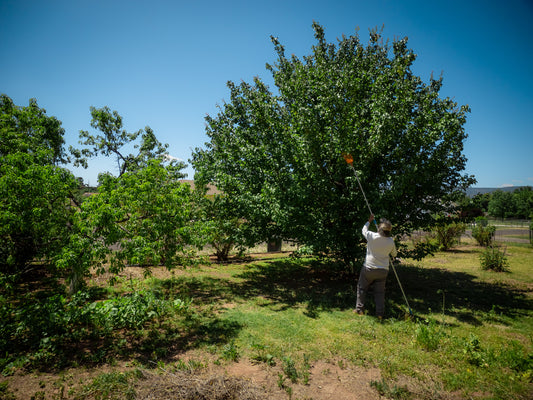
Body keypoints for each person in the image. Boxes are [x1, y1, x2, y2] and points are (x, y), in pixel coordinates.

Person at [355, 214, 397, 318]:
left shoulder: (372, 236)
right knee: (380, 293)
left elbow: (363, 230)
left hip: (369, 268)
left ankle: (359, 310)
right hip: (383, 271)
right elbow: (394, 254)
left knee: (362, 288)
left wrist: (369, 221)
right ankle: (379, 314)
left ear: (380, 229)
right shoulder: (390, 241)